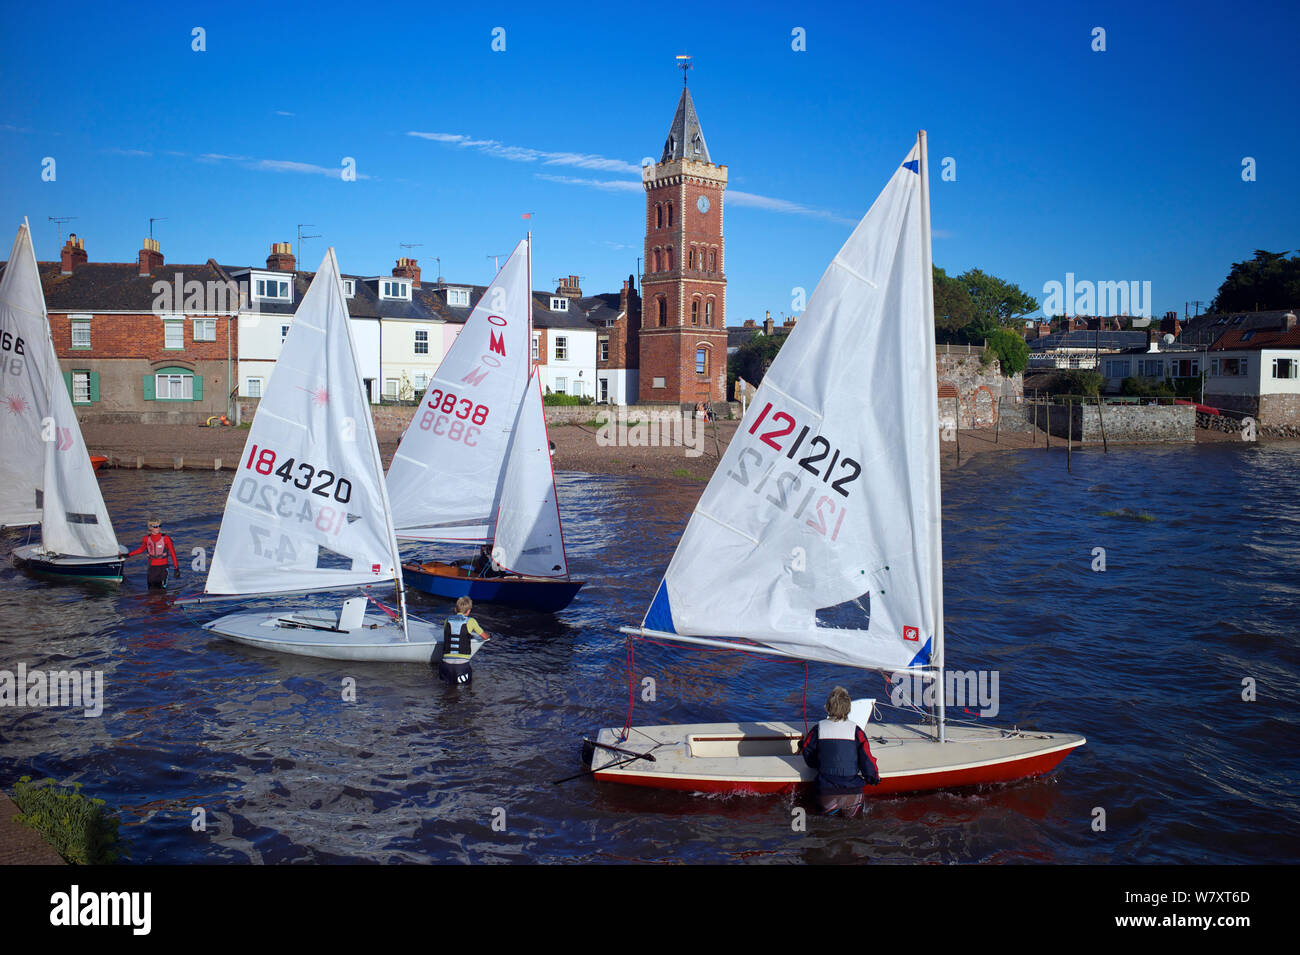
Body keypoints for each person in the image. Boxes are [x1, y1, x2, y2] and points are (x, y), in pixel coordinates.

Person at [799, 686, 880, 817]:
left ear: (828, 707)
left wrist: (817, 763)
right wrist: (874, 778)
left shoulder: (817, 729)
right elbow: (867, 760)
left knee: (825, 832)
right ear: (848, 708)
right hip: (852, 793)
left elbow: (808, 754)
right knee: (854, 830)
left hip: (826, 793)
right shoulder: (856, 731)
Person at [436, 597, 490, 685]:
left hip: (445, 665)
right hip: (461, 666)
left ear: (455, 609)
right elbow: (484, 636)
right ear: (468, 611)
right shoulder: (471, 621)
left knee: (446, 690)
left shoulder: (447, 620)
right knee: (466, 692)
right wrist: (489, 635)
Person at [126, 517, 180, 590]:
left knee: (162, 591)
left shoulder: (166, 538)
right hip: (152, 568)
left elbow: (173, 554)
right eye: (155, 526)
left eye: (159, 526)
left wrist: (176, 568)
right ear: (150, 527)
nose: (158, 528)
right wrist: (128, 555)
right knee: (151, 590)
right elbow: (141, 549)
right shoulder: (146, 539)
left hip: (163, 568)